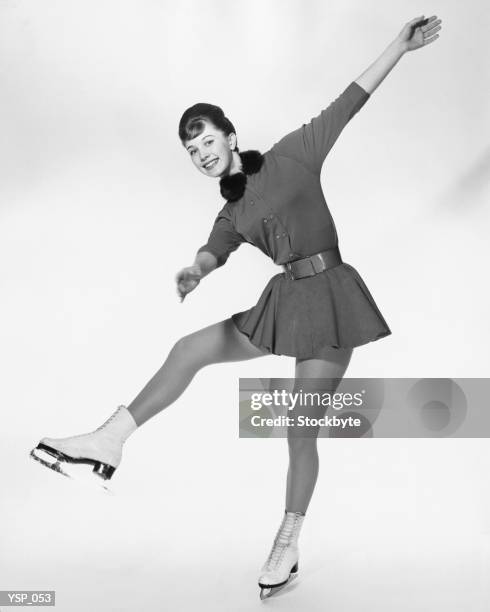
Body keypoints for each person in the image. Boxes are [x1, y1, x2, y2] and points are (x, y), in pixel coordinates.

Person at [30, 14, 442, 599]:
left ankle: (289, 539)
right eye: (191, 149)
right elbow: (213, 251)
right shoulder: (230, 214)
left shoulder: (295, 153)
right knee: (189, 348)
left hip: (330, 301)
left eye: (207, 141)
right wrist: (194, 272)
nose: (201, 154)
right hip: (283, 303)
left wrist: (398, 47)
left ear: (229, 135)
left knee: (301, 431)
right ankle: (108, 441)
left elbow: (349, 101)